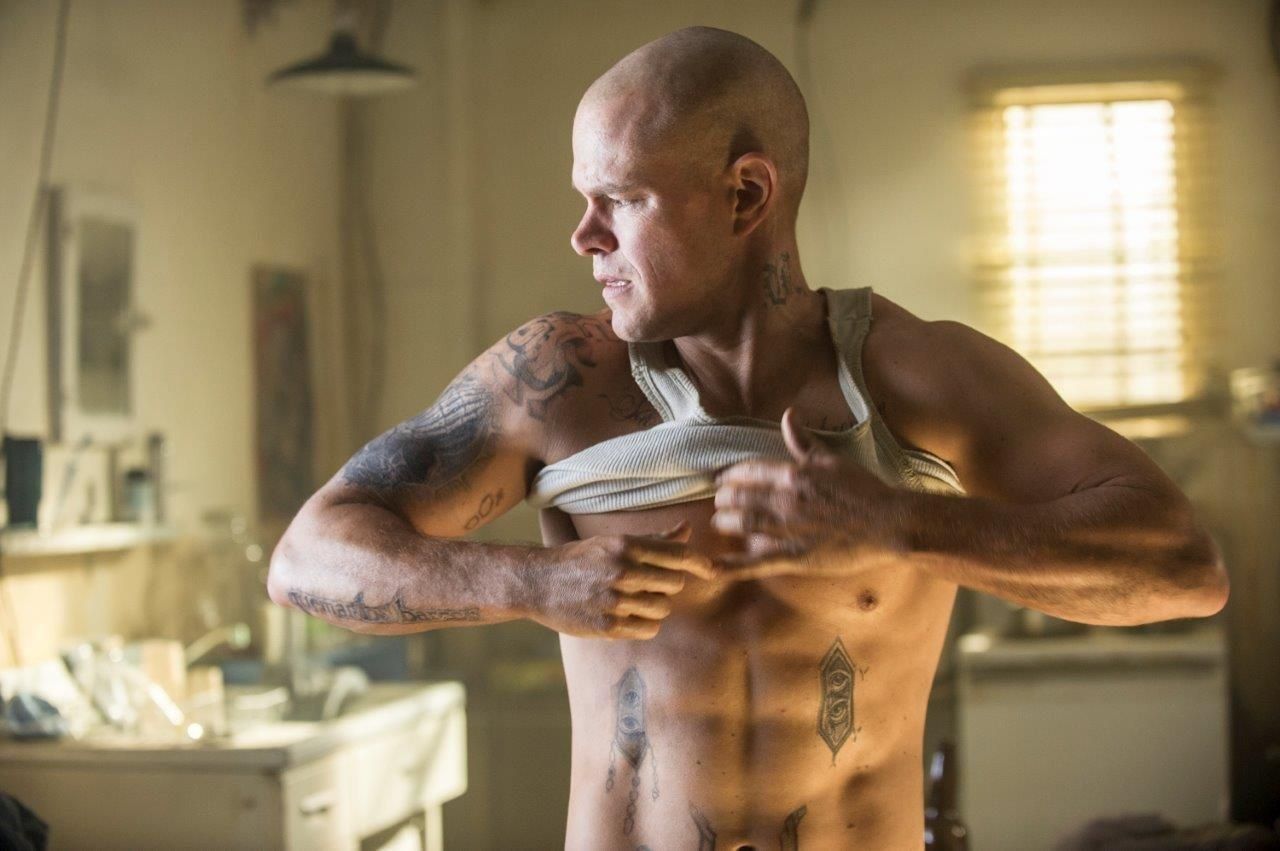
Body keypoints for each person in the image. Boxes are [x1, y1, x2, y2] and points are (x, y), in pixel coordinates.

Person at [267, 26, 1229, 850]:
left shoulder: (915, 377)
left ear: (745, 194)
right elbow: (306, 555)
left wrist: (904, 526)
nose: (585, 236)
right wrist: (532, 583)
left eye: (622, 199)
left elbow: (1186, 569)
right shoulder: (557, 380)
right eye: (585, 199)